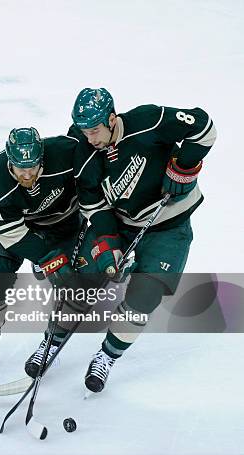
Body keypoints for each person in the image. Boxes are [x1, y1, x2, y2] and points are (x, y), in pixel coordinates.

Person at [69, 88, 217, 393]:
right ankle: (52, 341)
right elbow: (94, 207)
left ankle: (107, 356)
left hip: (168, 225)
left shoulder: (148, 120)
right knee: (83, 273)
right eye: (84, 132)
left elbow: (203, 127)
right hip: (123, 225)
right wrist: (109, 246)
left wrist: (184, 167)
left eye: (95, 130)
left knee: (145, 296)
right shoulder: (85, 154)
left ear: (112, 119)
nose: (90, 139)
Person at [0, 127, 98, 378]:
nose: (27, 174)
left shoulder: (66, 153)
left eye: (33, 167)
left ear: (42, 158)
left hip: (63, 222)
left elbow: (95, 169)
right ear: (9, 161)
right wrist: (49, 259)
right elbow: (12, 235)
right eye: (20, 169)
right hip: (14, 227)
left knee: (70, 285)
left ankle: (51, 344)